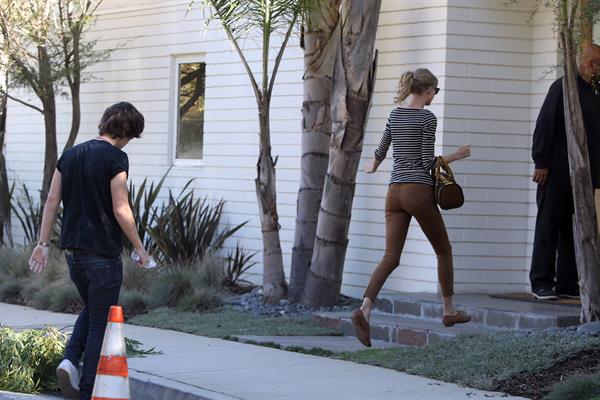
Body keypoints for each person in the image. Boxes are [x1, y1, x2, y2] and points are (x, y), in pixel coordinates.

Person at [28, 102, 152, 400]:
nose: (128, 143)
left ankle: (70, 360)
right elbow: (121, 208)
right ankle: (87, 392)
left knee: (93, 309)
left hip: (74, 255)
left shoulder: (70, 155)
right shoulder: (116, 158)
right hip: (103, 256)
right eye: (130, 137)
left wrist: (42, 244)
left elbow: (51, 201)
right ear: (125, 131)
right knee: (101, 321)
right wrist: (140, 248)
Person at [350, 68, 472, 347]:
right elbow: (428, 163)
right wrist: (457, 155)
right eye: (435, 92)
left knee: (390, 257)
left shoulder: (395, 114)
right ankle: (449, 311)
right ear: (427, 91)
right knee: (443, 249)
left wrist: (373, 166)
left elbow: (381, 150)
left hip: (393, 193)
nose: (434, 97)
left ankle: (365, 309)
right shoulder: (427, 118)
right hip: (417, 191)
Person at [530, 44, 600, 301]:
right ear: (587, 63)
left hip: (584, 172)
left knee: (575, 228)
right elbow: (545, 125)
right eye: (597, 65)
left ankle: (568, 282)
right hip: (556, 169)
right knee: (549, 224)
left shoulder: (593, 91)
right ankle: (541, 282)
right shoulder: (564, 88)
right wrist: (541, 162)